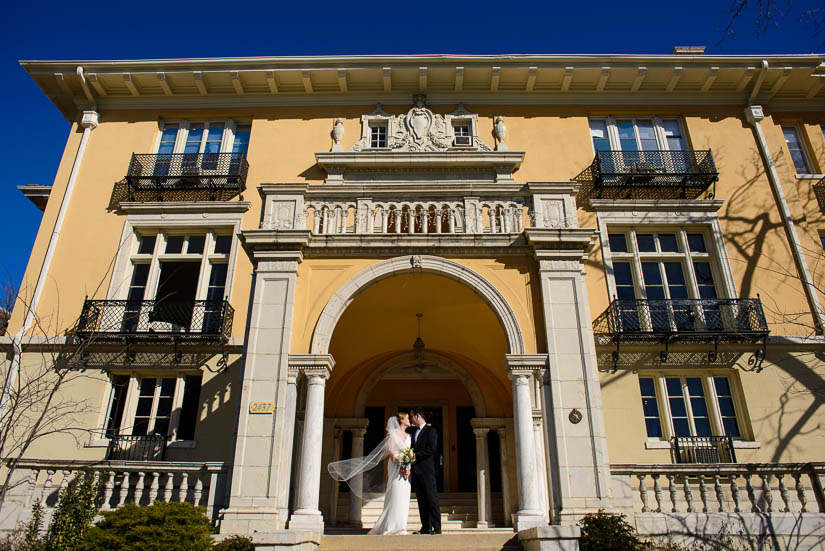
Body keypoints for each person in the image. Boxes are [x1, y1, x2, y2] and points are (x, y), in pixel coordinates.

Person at [327, 413, 412, 535]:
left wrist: (407, 466)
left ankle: (401, 526)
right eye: (407, 418)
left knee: (404, 494)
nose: (409, 420)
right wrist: (401, 465)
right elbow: (391, 451)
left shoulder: (408, 436)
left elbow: (408, 453)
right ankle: (392, 526)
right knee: (395, 493)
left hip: (406, 470)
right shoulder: (393, 435)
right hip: (395, 467)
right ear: (402, 420)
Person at [408, 407, 441, 535]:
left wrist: (415, 456)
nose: (410, 419)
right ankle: (425, 527)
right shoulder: (412, 431)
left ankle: (437, 528)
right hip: (417, 471)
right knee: (421, 500)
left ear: (417, 416)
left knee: (432, 499)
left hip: (427, 471)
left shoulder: (431, 431)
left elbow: (431, 449)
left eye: (411, 417)